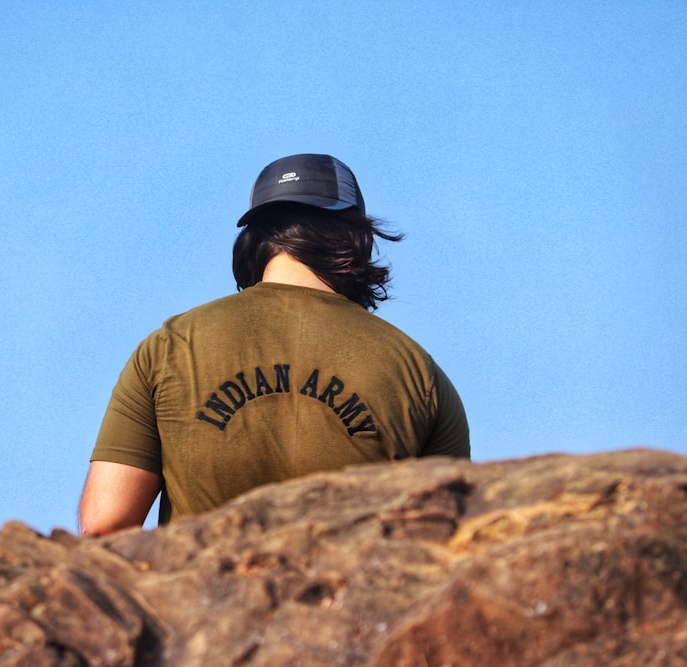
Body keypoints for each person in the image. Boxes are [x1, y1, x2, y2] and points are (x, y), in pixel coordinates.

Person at [79, 153, 470, 536]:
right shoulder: (419, 374)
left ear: (254, 241)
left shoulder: (170, 347)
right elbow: (453, 544)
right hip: (353, 598)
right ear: (358, 239)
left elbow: (105, 522)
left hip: (201, 598)